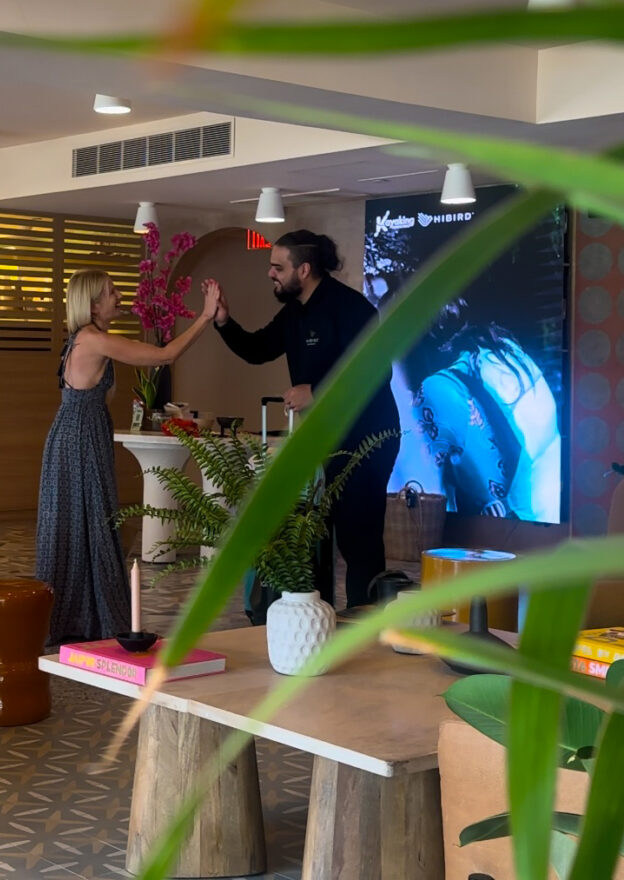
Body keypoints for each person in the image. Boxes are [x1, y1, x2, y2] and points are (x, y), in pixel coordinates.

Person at [212, 230, 400, 608]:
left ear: (305, 269)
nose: (270, 274)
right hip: (324, 440)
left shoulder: (352, 309)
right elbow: (259, 348)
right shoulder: (295, 312)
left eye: (278, 267)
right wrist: (223, 322)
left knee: (357, 535)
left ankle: (365, 623)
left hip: (367, 439)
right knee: (312, 532)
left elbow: (374, 372)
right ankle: (315, 617)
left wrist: (316, 391)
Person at [36, 269, 220, 646]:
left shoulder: (83, 339)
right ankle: (86, 618)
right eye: (111, 292)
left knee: (81, 522)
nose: (119, 297)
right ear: (93, 303)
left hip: (73, 434)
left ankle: (75, 618)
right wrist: (205, 316)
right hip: (80, 438)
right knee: (89, 521)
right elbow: (164, 355)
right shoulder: (93, 339)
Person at [402, 301, 561, 522]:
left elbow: (415, 492)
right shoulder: (504, 349)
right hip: (548, 517)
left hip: (506, 529)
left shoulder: (439, 388)